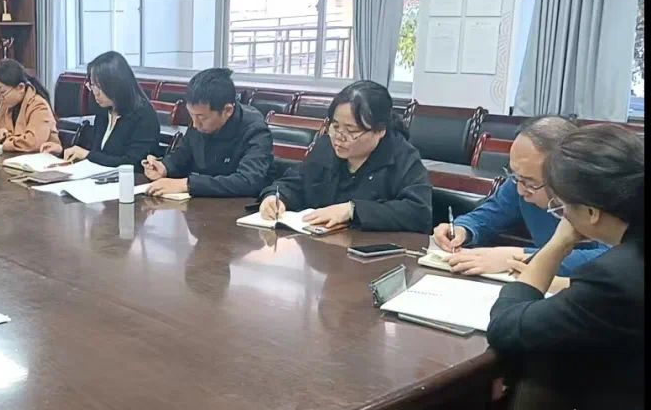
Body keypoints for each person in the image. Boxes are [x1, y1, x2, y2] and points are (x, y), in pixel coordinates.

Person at [459, 125, 644, 410]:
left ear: (591, 213)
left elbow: (507, 327)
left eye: (563, 207)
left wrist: (557, 244)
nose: (561, 214)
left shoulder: (616, 278)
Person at [431, 116, 607, 276]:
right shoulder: (521, 181)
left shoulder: (600, 195)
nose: (521, 190)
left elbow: (609, 259)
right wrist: (463, 229)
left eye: (530, 183)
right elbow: (491, 213)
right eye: (515, 176)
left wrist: (518, 257)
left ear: (565, 175)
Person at [256, 80, 432, 233]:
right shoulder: (326, 146)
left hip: (373, 253)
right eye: (335, 126)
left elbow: (419, 212)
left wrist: (351, 210)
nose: (339, 137)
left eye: (351, 131)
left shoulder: (402, 157)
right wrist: (275, 197)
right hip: (322, 250)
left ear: (380, 131)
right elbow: (296, 182)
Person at [142, 68, 274, 198]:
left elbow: (247, 181)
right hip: (199, 204)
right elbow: (182, 155)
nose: (195, 124)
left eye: (202, 117)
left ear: (227, 110)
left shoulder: (255, 129)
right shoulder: (199, 119)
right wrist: (164, 167)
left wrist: (188, 185)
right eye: (191, 115)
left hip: (237, 206)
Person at [39, 51, 159, 170]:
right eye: (92, 85)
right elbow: (97, 153)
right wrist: (62, 152)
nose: (95, 93)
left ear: (117, 85)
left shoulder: (144, 116)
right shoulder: (104, 111)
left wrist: (87, 155)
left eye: (100, 87)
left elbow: (133, 163)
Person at [0, 59, 61, 153]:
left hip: (39, 158)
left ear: (20, 87)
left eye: (2, 92)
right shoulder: (6, 106)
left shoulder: (39, 106)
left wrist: (3, 141)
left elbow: (32, 142)